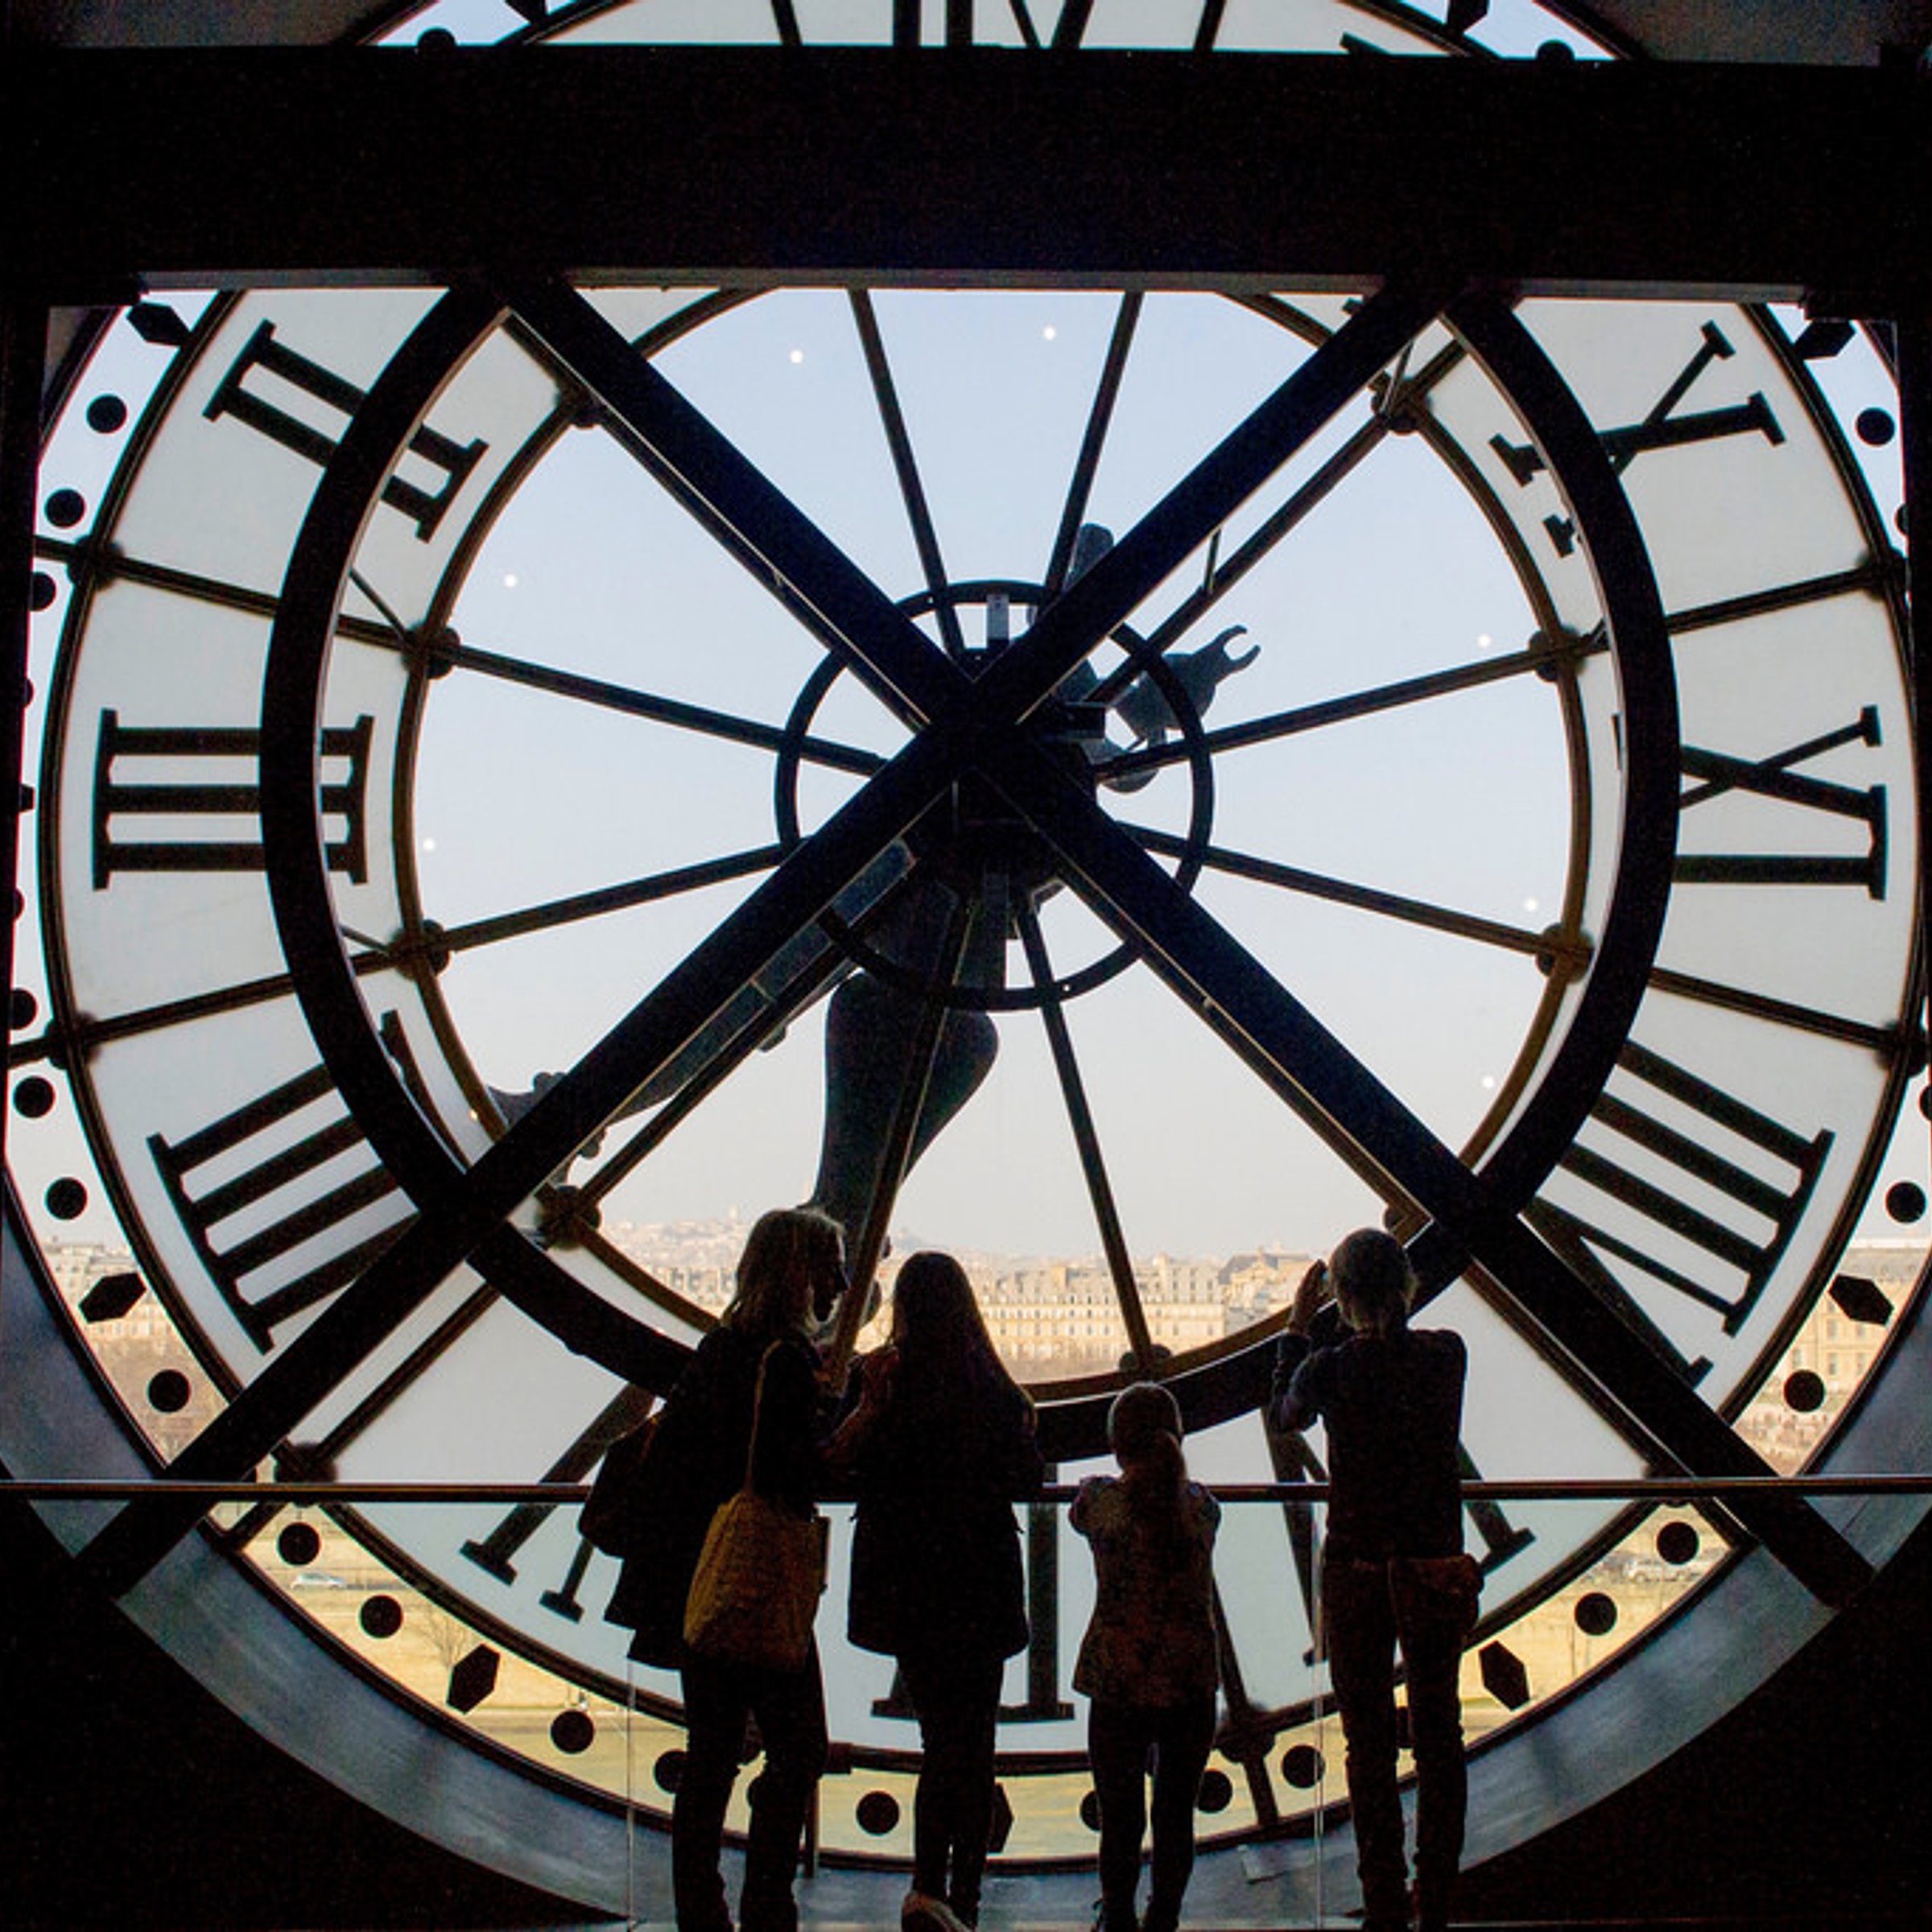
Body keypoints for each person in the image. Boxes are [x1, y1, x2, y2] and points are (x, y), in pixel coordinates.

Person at [603, 1205, 848, 1932]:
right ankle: (764, 1900)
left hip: (696, 1579)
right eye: (833, 1267)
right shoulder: (788, 1360)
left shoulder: (720, 1351)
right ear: (807, 1275)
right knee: (796, 1750)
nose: (843, 1281)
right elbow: (796, 1472)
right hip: (757, 1582)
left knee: (711, 1755)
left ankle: (703, 1911)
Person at [1269, 1228, 1476, 1932]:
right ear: (1408, 1285)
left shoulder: (1328, 1369)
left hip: (1357, 1572)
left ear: (1341, 1297)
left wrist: (1297, 1330)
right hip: (1433, 1569)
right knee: (1439, 1733)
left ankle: (1384, 1898)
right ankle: (1436, 1896)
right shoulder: (1448, 1355)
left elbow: (1284, 1416)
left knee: (1367, 1745)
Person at [837, 1251, 1044, 1932]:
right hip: (979, 1582)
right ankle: (961, 1894)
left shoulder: (881, 1378)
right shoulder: (993, 1390)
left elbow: (847, 1461)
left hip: (909, 1586)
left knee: (940, 1746)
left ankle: (928, 1887)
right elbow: (1024, 1479)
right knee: (972, 1746)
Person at [1071, 1381, 1222, 1932]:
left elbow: (1081, 1512)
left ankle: (1117, 1915)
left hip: (1119, 1683)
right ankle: (1165, 1917)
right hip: (1190, 1682)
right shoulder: (1203, 1509)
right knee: (1174, 1816)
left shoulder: (1100, 1504)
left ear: (1117, 1444)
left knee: (1121, 1817)